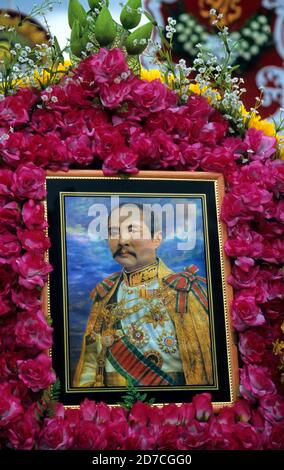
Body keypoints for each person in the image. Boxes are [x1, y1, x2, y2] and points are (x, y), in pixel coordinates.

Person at [73, 203, 213, 387]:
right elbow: (90, 365)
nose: (122, 240)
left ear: (157, 239)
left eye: (132, 229)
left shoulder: (185, 291)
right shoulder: (105, 294)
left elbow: (205, 368)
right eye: (114, 232)